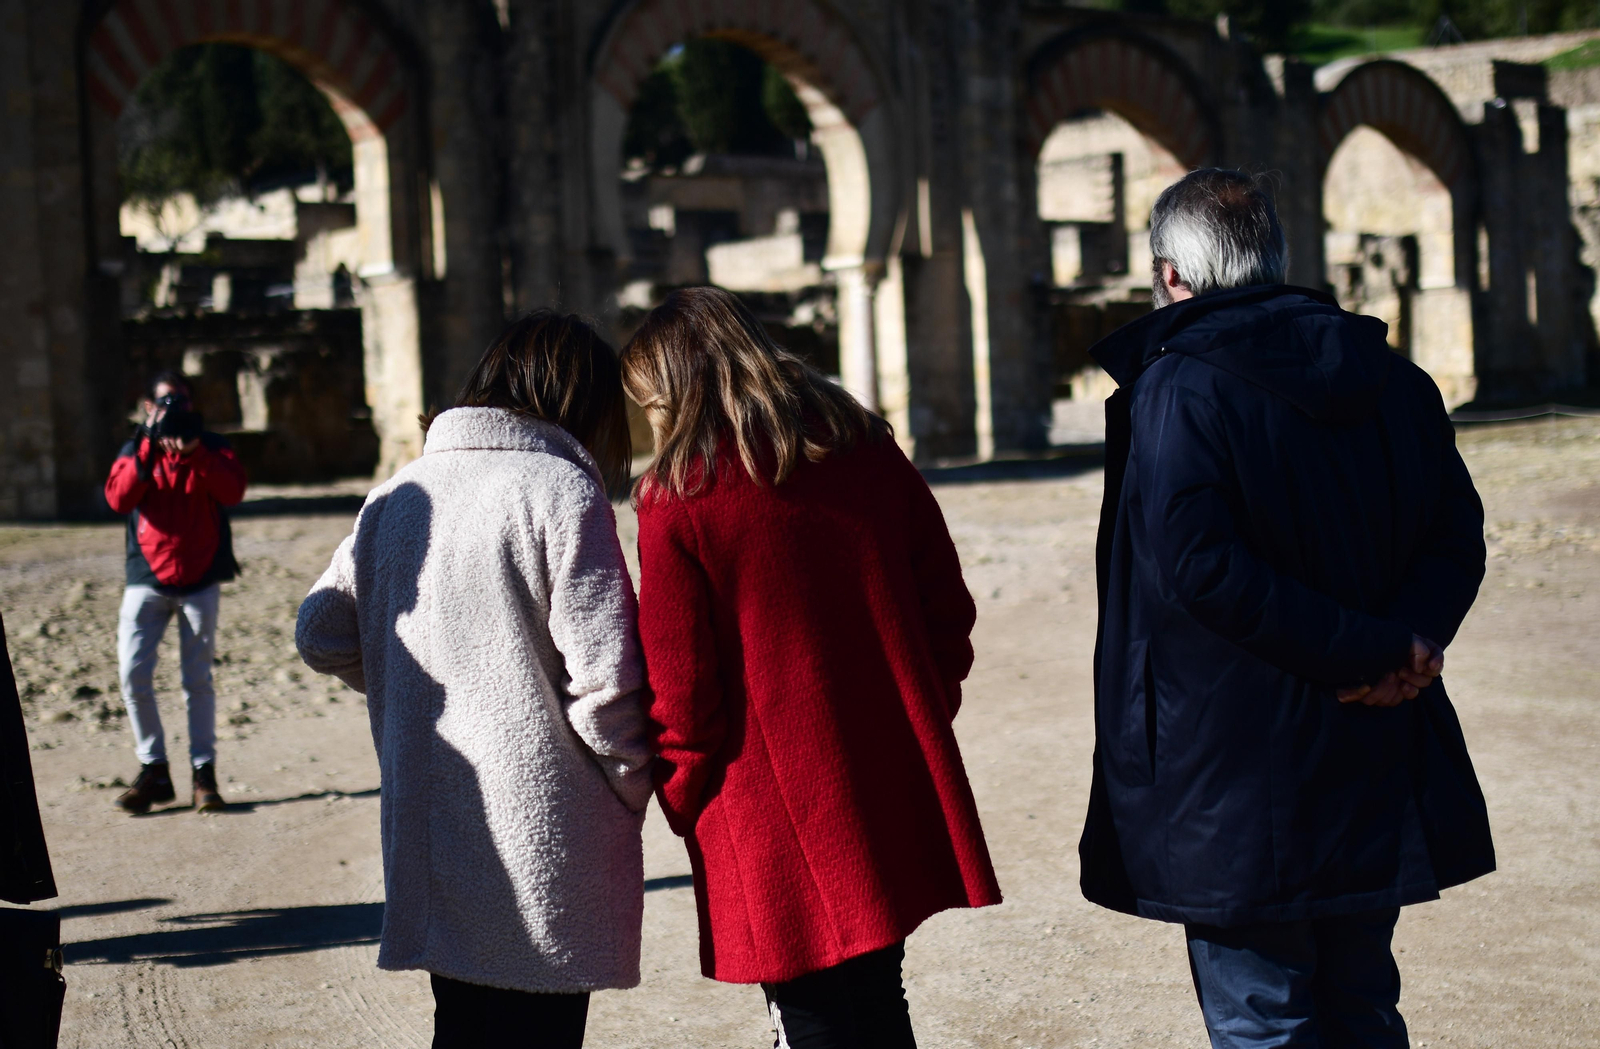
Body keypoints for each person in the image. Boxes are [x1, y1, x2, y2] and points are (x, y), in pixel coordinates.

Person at [1079, 169, 1494, 1049]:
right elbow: (1456, 531)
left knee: (1264, 1019)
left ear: (1170, 275)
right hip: (1372, 737)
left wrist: (1373, 650)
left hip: (1231, 769)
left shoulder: (1179, 388)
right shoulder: (1394, 376)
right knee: (1361, 1006)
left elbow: (1201, 570)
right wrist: (1400, 648)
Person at [622, 286, 1002, 1049]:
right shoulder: (862, 445)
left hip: (761, 804)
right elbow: (947, 609)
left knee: (812, 1015)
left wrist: (683, 794)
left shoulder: (680, 499)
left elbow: (683, 693)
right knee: (876, 993)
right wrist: (914, 710)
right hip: (881, 774)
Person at [295, 311, 652, 1049]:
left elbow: (321, 630)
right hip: (546, 833)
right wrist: (628, 783)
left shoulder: (398, 493)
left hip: (432, 824)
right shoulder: (560, 490)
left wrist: (412, 690)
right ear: (583, 401)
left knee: (460, 1028)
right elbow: (608, 682)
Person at [104, 371, 247, 814]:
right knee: (132, 674)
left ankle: (204, 775)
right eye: (164, 404)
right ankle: (154, 769)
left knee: (197, 680)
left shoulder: (210, 446)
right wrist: (147, 447)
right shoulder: (136, 449)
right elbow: (119, 499)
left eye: (180, 403)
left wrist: (196, 452)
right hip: (146, 577)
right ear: (147, 407)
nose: (172, 412)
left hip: (199, 580)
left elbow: (233, 491)